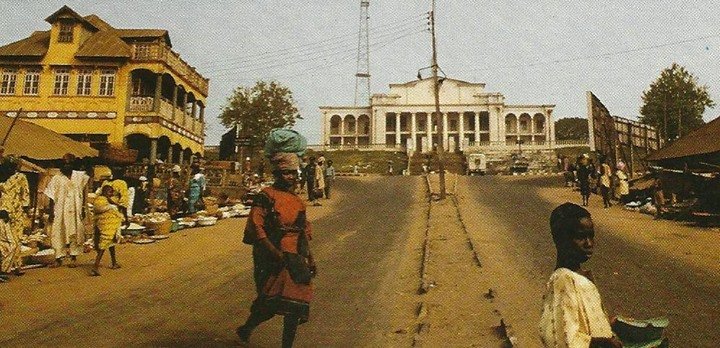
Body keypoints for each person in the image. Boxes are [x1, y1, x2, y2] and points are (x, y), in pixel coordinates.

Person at [237, 152, 317, 348]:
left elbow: (302, 231)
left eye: (292, 173)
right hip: (270, 256)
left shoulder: (298, 201)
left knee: (294, 305)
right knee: (269, 303)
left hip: (294, 256)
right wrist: (274, 252)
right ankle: (247, 328)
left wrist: (310, 258)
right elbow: (257, 227)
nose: (289, 177)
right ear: (277, 174)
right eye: (285, 173)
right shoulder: (265, 196)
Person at [539, 203, 623, 348]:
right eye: (580, 237)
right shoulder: (563, 279)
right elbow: (560, 338)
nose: (589, 243)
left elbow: (580, 321)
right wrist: (602, 344)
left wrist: (607, 323)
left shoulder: (579, 277)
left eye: (591, 236)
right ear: (560, 240)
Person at [45, 164, 85, 268]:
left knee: (75, 233)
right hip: (60, 210)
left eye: (69, 162)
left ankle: (73, 257)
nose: (66, 164)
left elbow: (83, 192)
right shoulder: (56, 178)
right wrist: (51, 212)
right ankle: (58, 258)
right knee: (58, 232)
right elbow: (51, 196)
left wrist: (83, 208)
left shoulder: (78, 177)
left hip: (75, 210)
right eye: (64, 162)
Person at [0, 156, 30, 275]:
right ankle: (5, 266)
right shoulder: (2, 177)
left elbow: (25, 194)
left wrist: (25, 209)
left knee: (17, 239)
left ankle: (17, 265)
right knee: (6, 241)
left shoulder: (21, 177)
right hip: (3, 213)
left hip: (16, 212)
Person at [91, 185, 124, 276]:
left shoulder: (103, 199)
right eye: (110, 192)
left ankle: (114, 263)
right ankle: (95, 266)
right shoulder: (101, 200)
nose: (111, 194)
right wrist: (113, 208)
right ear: (105, 192)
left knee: (111, 243)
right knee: (104, 245)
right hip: (106, 225)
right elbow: (100, 208)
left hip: (104, 225)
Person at [0, 210, 18, 282]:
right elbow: (9, 237)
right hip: (3, 243)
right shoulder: (4, 223)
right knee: (13, 248)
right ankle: (3, 271)